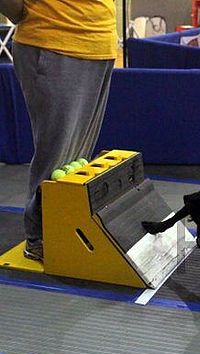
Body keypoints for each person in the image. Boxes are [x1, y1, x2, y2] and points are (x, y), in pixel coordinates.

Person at [0, 0, 117, 261]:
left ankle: (66, 229)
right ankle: (41, 236)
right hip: (54, 40)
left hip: (99, 42)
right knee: (57, 155)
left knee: (78, 161)